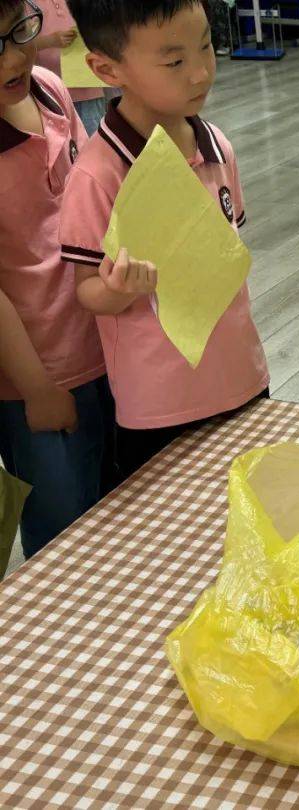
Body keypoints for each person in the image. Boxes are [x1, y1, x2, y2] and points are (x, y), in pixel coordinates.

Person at [60, 0, 268, 480]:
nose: (200, 74)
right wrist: (117, 288)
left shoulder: (217, 146)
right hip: (158, 404)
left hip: (243, 374)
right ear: (107, 68)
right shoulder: (97, 174)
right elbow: (86, 291)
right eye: (174, 62)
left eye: (207, 47)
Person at [0, 0, 112, 559]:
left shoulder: (47, 87)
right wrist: (37, 390)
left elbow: (88, 205)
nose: (12, 56)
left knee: (112, 507)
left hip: (98, 345)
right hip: (33, 379)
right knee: (63, 538)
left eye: (18, 31)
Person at [33, 0, 106, 134]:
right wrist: (51, 40)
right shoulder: (27, 4)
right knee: (62, 146)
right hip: (50, 94)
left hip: (88, 86)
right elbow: (20, 44)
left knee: (95, 140)